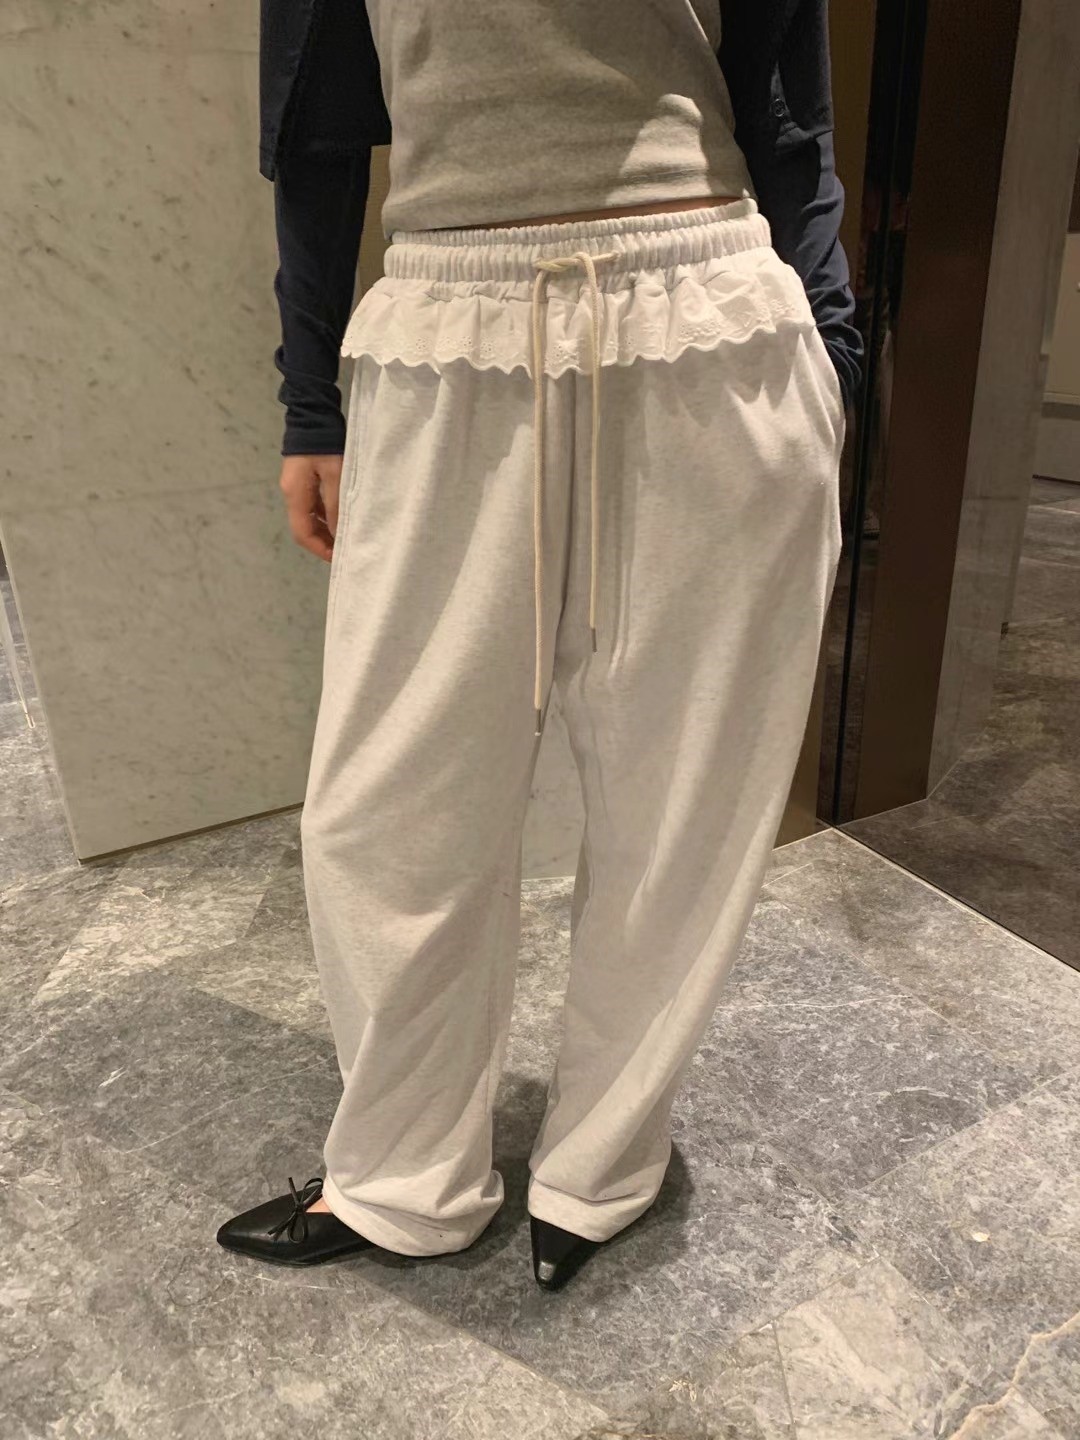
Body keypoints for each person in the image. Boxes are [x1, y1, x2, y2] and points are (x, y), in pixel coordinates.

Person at [217, 0, 862, 1290]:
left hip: (710, 320)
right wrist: (308, 404)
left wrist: (833, 356)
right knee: (384, 809)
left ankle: (604, 1166)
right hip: (445, 326)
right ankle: (401, 1177)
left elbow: (787, 98)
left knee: (682, 802)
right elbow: (318, 124)